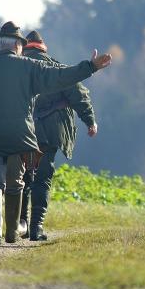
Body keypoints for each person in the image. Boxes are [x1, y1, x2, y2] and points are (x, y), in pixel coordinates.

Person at [0, 21, 111, 244]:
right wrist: (91, 67)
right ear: (19, 45)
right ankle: (11, 233)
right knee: (16, 182)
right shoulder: (28, 67)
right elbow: (61, 77)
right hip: (20, 136)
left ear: (0, 44)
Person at [19, 30, 98, 241]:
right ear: (43, 48)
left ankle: (21, 224)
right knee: (42, 179)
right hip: (50, 133)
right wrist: (90, 121)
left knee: (23, 177)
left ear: (25, 47)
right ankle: (36, 228)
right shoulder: (55, 68)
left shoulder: (17, 68)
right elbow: (79, 96)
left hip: (21, 132)